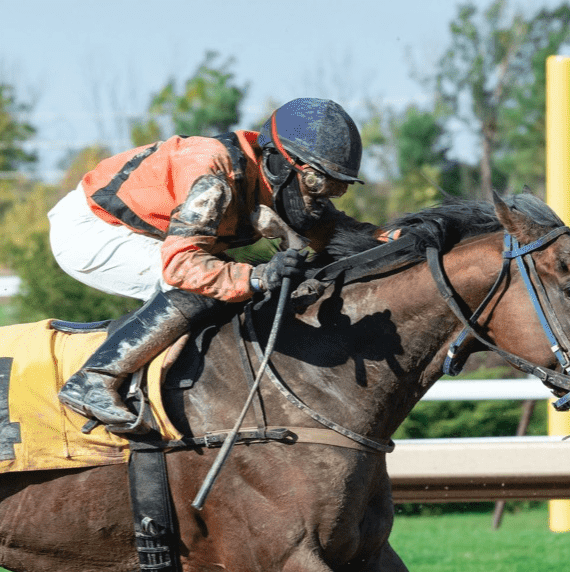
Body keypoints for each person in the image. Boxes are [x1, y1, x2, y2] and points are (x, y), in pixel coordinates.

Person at [47, 97, 371, 434]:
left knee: (234, 289)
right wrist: (258, 277)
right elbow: (182, 265)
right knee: (202, 290)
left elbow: (332, 232)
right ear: (277, 163)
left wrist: (391, 237)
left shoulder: (277, 181)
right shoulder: (213, 177)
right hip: (93, 231)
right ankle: (94, 379)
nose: (320, 199)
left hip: (153, 234)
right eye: (316, 184)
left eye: (335, 189)